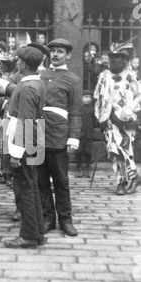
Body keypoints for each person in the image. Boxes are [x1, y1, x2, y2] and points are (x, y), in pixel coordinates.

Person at [0, 46, 46, 249]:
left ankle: (28, 236)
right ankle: (38, 232)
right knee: (32, 187)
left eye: (18, 62)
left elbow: (25, 121)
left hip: (24, 143)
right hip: (34, 140)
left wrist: (16, 154)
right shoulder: (36, 83)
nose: (17, 64)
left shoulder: (26, 88)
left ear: (24, 64)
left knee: (25, 189)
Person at [38, 39, 83, 237]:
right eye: (53, 51)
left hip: (58, 134)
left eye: (60, 52)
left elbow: (75, 112)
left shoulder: (73, 80)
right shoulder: (40, 74)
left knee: (61, 180)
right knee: (40, 179)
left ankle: (65, 219)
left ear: (68, 56)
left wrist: (73, 137)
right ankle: (48, 218)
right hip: (38, 132)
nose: (55, 55)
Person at [94, 50, 141, 195]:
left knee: (126, 150)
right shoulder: (103, 76)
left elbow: (138, 97)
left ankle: (127, 179)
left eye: (121, 59)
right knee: (115, 151)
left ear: (126, 61)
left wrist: (129, 112)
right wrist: (100, 116)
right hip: (109, 120)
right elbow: (98, 98)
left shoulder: (131, 77)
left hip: (126, 122)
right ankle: (126, 180)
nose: (117, 61)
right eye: (114, 58)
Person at [75, 90, 96, 179]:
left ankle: (88, 168)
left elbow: (94, 121)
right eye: (86, 97)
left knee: (88, 151)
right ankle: (79, 168)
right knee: (79, 151)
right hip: (79, 133)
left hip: (88, 133)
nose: (88, 99)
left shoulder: (93, 109)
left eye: (90, 97)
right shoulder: (78, 108)